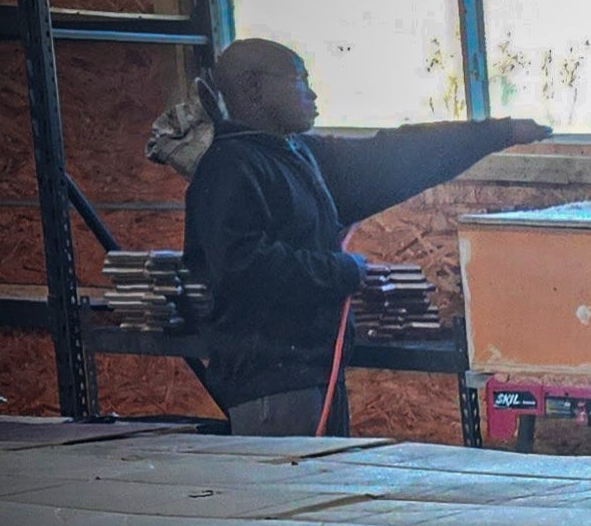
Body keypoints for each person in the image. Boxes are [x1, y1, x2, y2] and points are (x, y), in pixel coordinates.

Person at [182, 39, 547, 436]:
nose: (313, 93)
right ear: (254, 88)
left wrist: (497, 133)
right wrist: (343, 270)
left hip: (315, 376)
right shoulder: (230, 170)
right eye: (300, 80)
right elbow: (242, 268)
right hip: (272, 388)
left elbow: (395, 156)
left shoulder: (300, 156)